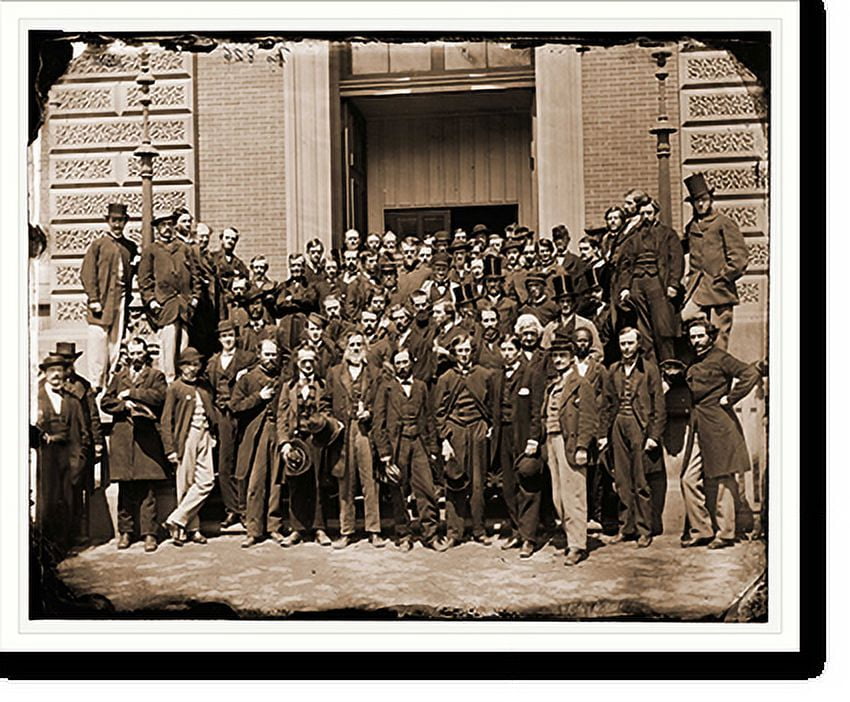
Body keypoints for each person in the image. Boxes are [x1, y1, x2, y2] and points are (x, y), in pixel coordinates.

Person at [680, 320, 760, 549]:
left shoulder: (721, 357)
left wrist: (730, 398)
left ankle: (725, 534)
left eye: (700, 336)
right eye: (693, 337)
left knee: (724, 479)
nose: (696, 341)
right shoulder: (695, 361)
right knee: (688, 479)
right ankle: (702, 529)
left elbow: (750, 373)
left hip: (719, 423)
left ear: (710, 336)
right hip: (698, 423)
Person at [373, 349, 447, 551]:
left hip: (419, 443)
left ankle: (430, 534)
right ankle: (403, 534)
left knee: (426, 488)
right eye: (398, 363)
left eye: (405, 362)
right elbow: (378, 422)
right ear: (394, 366)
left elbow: (429, 419)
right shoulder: (386, 388)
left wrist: (432, 448)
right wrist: (385, 455)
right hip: (398, 445)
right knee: (398, 490)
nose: (402, 366)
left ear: (411, 363)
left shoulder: (421, 387)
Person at [100, 337, 170, 552]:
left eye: (140, 352)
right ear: (127, 354)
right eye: (133, 352)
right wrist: (124, 405)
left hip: (146, 439)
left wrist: (133, 393)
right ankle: (126, 532)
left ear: (145, 354)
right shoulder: (119, 376)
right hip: (123, 438)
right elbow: (105, 402)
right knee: (125, 489)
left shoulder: (156, 375)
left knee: (148, 490)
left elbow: (159, 397)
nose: (136, 356)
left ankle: (150, 533)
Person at [600, 327, 666, 548]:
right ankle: (625, 528)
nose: (626, 348)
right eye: (623, 344)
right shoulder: (613, 370)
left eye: (630, 343)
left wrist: (654, 436)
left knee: (641, 481)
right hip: (618, 424)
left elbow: (659, 405)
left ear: (638, 344)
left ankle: (644, 529)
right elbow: (607, 405)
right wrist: (603, 434)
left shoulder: (649, 370)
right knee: (621, 480)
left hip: (640, 426)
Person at [433, 334, 499, 547]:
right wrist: (444, 439)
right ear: (454, 353)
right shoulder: (446, 378)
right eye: (459, 351)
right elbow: (438, 412)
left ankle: (479, 529)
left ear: (472, 352)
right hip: (455, 431)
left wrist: (488, 427)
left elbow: (492, 404)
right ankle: (454, 532)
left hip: (477, 429)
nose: (463, 355)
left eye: (467, 350)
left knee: (479, 483)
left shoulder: (484, 375)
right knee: (454, 481)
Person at [540, 336, 598, 565]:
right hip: (552, 441)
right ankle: (569, 538)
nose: (558, 360)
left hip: (570, 442)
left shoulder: (581, 384)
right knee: (558, 496)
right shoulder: (553, 385)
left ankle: (577, 545)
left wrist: (583, 447)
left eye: (563, 356)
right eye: (555, 356)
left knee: (573, 494)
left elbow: (589, 418)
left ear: (572, 358)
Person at [325, 331, 385, 548]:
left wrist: (368, 412)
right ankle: (346, 530)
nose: (356, 348)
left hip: (365, 432)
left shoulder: (375, 373)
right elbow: (325, 402)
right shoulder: (334, 373)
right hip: (344, 431)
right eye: (352, 344)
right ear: (345, 348)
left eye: (360, 344)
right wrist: (333, 423)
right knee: (346, 482)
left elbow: (380, 402)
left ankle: (374, 530)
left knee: (370, 481)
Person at [31, 352, 91, 558]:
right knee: (46, 502)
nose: (57, 375)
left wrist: (79, 460)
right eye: (52, 371)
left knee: (66, 501)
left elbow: (83, 433)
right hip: (44, 456)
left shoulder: (72, 400)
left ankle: (62, 547)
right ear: (45, 374)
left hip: (68, 456)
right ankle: (43, 549)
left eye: (60, 370)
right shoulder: (34, 397)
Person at [276, 346, 336, 546]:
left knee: (318, 484)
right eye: (304, 361)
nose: (308, 365)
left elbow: (328, 411)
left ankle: (320, 529)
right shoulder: (288, 387)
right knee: (296, 484)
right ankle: (297, 529)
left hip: (316, 440)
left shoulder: (323, 385)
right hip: (295, 440)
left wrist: (323, 424)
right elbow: (281, 417)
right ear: (297, 363)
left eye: (311, 361)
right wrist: (284, 442)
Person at [683, 173, 749, 350]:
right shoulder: (691, 227)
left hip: (720, 290)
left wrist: (723, 277)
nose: (701, 204)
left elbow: (739, 258)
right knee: (684, 322)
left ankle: (719, 376)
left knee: (719, 339)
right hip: (697, 289)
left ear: (711, 199)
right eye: (697, 201)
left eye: (704, 199)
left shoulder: (724, 223)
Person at [231, 339, 285, 547]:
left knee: (276, 482)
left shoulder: (282, 378)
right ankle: (253, 529)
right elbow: (234, 406)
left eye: (274, 355)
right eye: (267, 355)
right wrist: (258, 397)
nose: (271, 359)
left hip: (277, 431)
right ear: (259, 354)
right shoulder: (247, 378)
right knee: (256, 481)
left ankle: (274, 527)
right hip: (257, 433)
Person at [494, 334, 544, 558]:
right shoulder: (498, 376)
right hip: (503, 434)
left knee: (528, 485)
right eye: (503, 349)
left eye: (510, 349)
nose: (506, 353)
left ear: (517, 350)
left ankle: (529, 537)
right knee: (508, 486)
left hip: (524, 436)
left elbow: (537, 411)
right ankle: (516, 530)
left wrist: (534, 438)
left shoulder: (531, 374)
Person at [162, 348, 218, 546]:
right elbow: (166, 420)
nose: (192, 369)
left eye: (196, 365)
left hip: (204, 435)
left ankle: (176, 518)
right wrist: (170, 449)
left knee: (206, 481)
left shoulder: (204, 387)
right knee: (184, 485)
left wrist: (213, 432)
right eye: (188, 365)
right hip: (185, 438)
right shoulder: (175, 388)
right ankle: (189, 530)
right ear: (181, 367)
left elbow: (212, 413)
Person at [80, 202, 138, 392]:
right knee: (98, 339)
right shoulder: (98, 245)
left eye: (121, 221)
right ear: (108, 221)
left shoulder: (130, 246)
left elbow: (133, 272)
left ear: (125, 222)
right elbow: (87, 273)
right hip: (102, 300)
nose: (117, 225)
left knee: (116, 340)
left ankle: (111, 381)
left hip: (120, 299)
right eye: (114, 220)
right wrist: (93, 299)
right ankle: (97, 382)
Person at [138, 213, 201, 383]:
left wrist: (194, 297)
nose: (167, 228)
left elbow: (196, 275)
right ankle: (169, 380)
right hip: (165, 304)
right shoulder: (151, 250)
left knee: (184, 344)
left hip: (184, 305)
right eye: (162, 225)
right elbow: (144, 279)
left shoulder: (184, 248)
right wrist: (151, 300)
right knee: (169, 343)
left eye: (169, 224)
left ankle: (185, 380)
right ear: (157, 229)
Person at [206, 321, 256, 530]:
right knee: (225, 463)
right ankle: (231, 509)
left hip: (243, 414)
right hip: (222, 415)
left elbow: (257, 373)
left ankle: (244, 509)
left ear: (236, 337)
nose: (227, 339)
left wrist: (245, 374)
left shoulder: (247, 358)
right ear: (219, 339)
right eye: (223, 336)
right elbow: (209, 389)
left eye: (230, 335)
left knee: (242, 463)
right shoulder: (212, 362)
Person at [54, 341, 103, 544]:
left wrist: (97, 441)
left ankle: (76, 532)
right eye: (62, 362)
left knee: (77, 488)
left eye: (69, 361)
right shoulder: (48, 386)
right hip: (55, 444)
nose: (66, 366)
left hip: (77, 442)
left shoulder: (83, 385)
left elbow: (92, 414)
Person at [541, 274, 603, 357]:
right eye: (562, 301)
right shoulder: (550, 328)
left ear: (573, 302)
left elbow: (598, 352)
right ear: (558, 304)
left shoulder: (587, 325)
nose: (565, 305)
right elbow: (544, 353)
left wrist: (584, 362)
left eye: (568, 301)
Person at [211, 227, 250, 322]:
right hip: (215, 303)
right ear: (221, 239)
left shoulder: (239, 264)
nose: (230, 241)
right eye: (227, 238)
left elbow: (245, 280)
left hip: (232, 304)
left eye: (233, 239)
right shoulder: (212, 258)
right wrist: (233, 277)